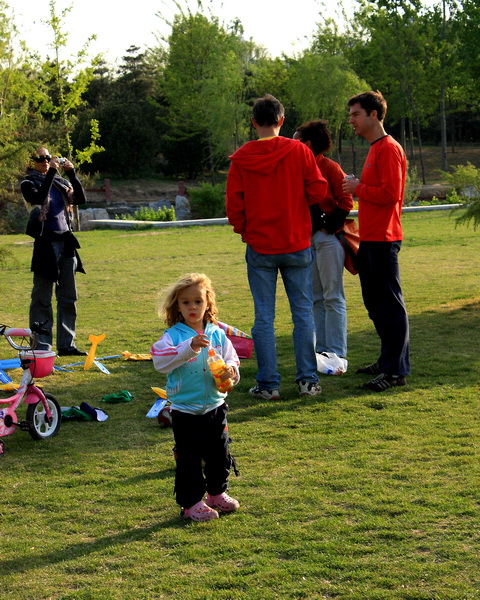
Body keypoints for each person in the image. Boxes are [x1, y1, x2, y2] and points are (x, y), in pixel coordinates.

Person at [226, 94, 328, 399]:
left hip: (260, 245)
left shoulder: (242, 158)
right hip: (296, 241)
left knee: (264, 318)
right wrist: (297, 207)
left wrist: (245, 229)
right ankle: (307, 381)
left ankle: (269, 384)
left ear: (254, 122)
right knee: (303, 314)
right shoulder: (299, 151)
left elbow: (234, 206)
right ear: (282, 121)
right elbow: (318, 189)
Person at [150, 273, 240, 522]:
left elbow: (231, 358)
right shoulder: (173, 336)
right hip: (185, 410)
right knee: (189, 460)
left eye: (198, 301)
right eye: (186, 302)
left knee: (219, 454)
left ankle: (217, 493)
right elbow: (160, 361)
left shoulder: (218, 333)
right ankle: (191, 504)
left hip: (215, 406)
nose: (192, 307)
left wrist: (233, 371)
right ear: (177, 306)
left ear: (208, 303)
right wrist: (189, 347)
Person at [342, 91, 410, 392]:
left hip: (384, 238)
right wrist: (361, 186)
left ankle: (395, 372)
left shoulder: (389, 149)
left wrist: (359, 187)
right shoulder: (374, 149)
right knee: (374, 304)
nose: (351, 121)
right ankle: (388, 361)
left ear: (373, 114)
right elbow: (377, 188)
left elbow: (390, 195)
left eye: (356, 114)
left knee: (390, 305)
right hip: (370, 238)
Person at [294, 120, 353, 367]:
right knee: (316, 297)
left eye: (297, 141)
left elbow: (346, 200)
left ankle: (337, 351)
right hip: (307, 239)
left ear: (308, 144)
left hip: (328, 239)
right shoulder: (297, 168)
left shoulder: (329, 167)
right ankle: (322, 350)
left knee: (333, 295)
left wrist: (328, 224)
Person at [21, 148, 87, 355]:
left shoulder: (60, 182)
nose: (45, 161)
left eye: (48, 158)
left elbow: (80, 199)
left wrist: (72, 174)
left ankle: (67, 345)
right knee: (42, 297)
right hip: (45, 243)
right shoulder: (28, 183)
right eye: (40, 158)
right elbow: (39, 199)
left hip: (66, 241)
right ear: (31, 162)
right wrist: (50, 172)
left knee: (68, 296)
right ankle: (41, 346)